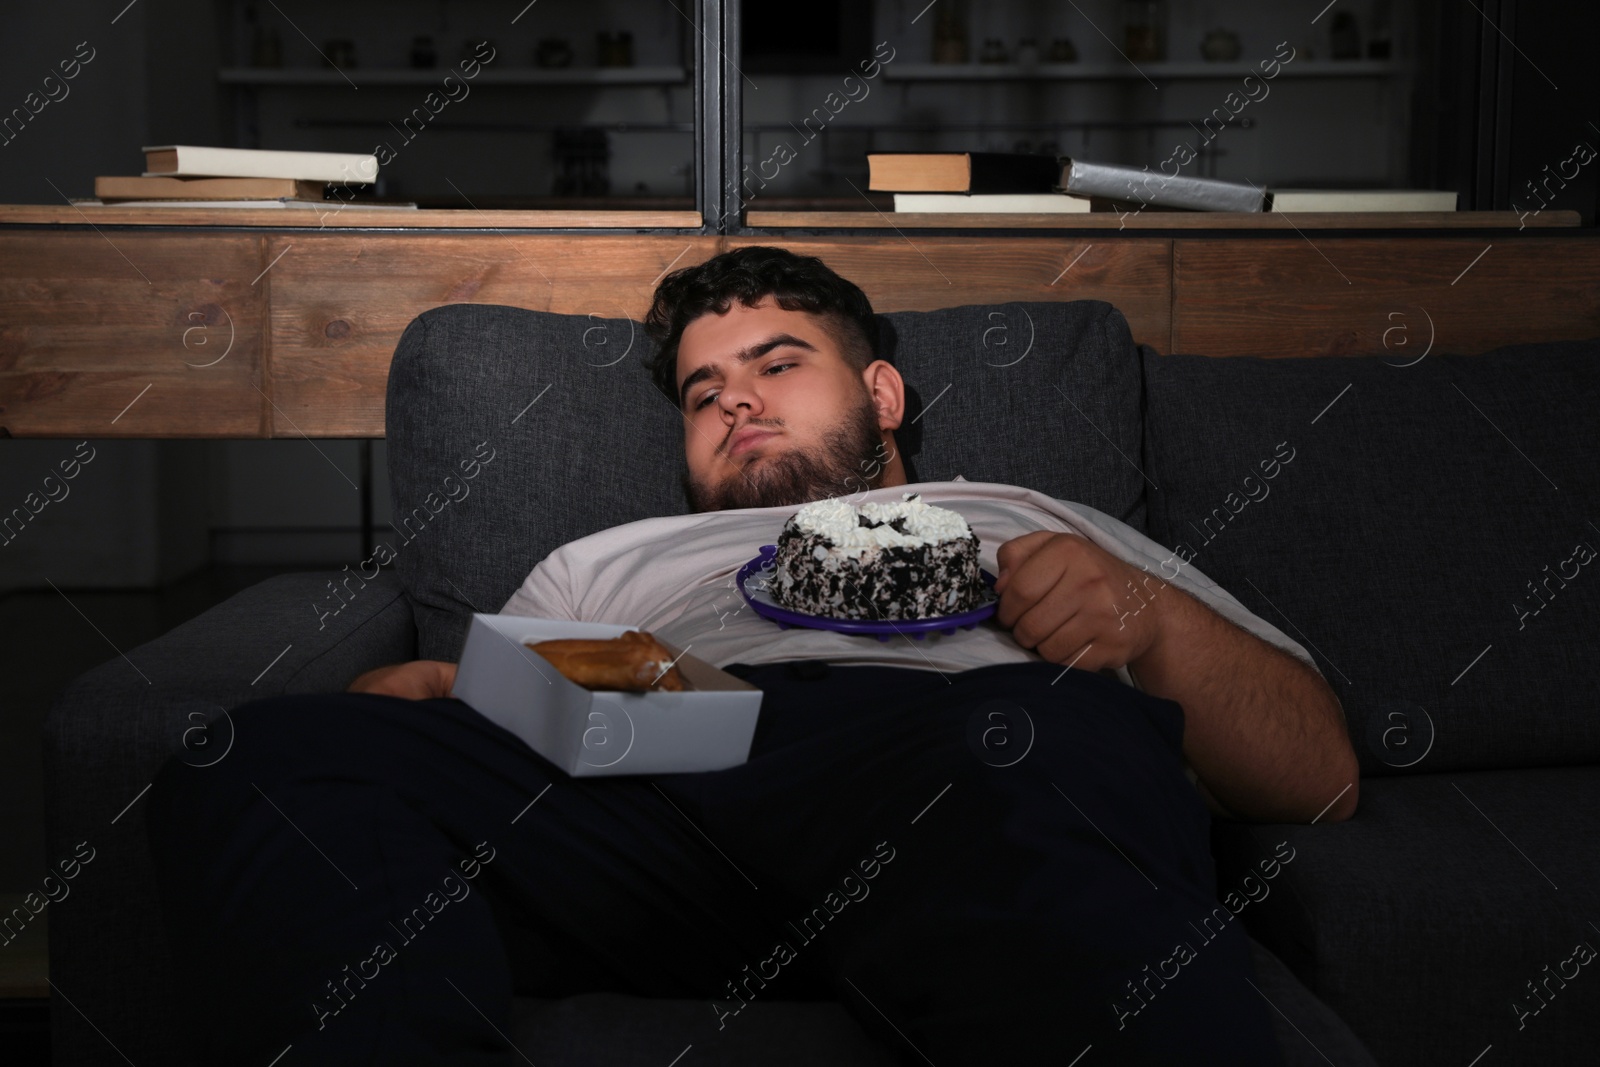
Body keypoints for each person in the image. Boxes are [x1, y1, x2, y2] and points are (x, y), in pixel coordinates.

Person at [148, 246, 1359, 1066]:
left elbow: (1319, 775)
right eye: (702, 391)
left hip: (959, 763)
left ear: (881, 392)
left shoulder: (1020, 508)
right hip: (659, 796)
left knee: (1035, 732)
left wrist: (1143, 615)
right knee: (264, 748)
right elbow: (487, 720)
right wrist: (419, 706)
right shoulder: (607, 559)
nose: (736, 402)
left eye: (780, 364)